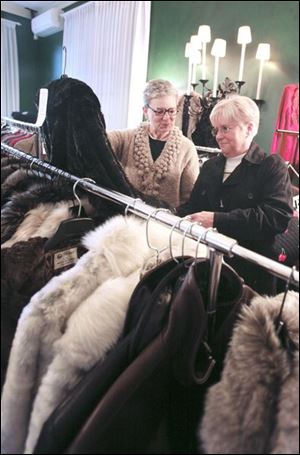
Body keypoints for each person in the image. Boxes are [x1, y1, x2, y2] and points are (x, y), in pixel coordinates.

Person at [177, 95, 293, 294]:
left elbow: (276, 218)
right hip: (206, 265)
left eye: (225, 128)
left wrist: (217, 220)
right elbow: (192, 207)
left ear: (249, 128)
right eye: (216, 129)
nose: (218, 136)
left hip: (251, 271)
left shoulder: (271, 167)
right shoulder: (210, 166)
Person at [108, 79, 199, 207]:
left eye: (171, 111)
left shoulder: (187, 149)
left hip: (165, 224)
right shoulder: (126, 138)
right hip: (128, 220)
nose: (166, 118)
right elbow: (98, 140)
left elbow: (189, 199)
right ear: (145, 111)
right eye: (159, 112)